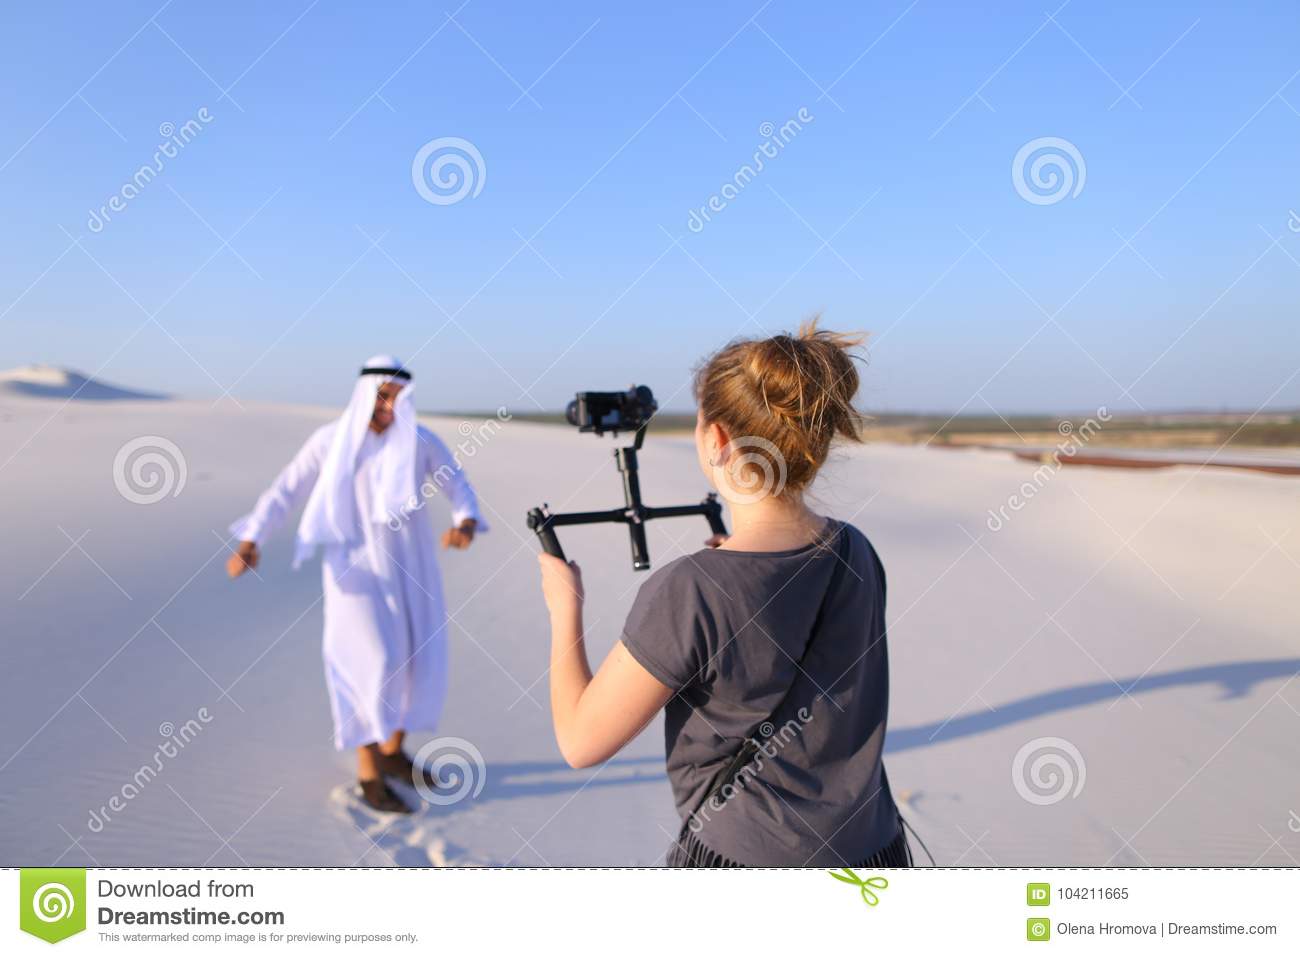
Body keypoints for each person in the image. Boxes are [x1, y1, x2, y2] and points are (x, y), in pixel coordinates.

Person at [537, 321, 909, 867]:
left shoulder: (690, 591)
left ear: (717, 440)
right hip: (872, 854)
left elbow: (579, 741)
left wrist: (564, 609)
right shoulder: (855, 550)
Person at [226, 355, 486, 814]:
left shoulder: (420, 440)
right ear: (366, 394)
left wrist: (465, 521)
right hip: (353, 570)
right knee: (371, 661)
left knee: (414, 659)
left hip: (412, 566)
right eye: (383, 397)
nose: (389, 407)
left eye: (398, 398)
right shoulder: (330, 440)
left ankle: (392, 753)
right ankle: (369, 772)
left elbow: (457, 483)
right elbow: (287, 489)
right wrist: (252, 539)